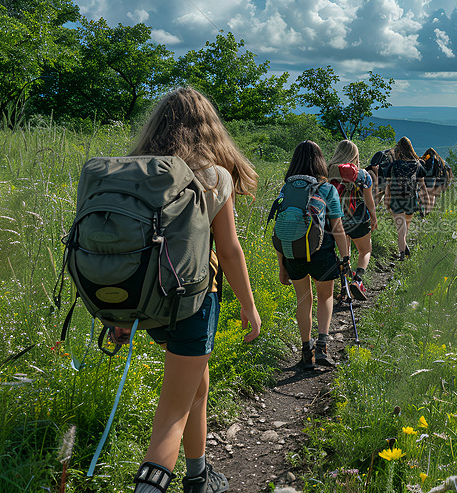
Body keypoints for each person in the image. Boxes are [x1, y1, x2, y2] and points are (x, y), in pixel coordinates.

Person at [111, 88, 261, 493]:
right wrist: (249, 306)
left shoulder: (135, 170)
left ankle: (198, 474)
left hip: (145, 303)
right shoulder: (213, 176)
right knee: (171, 415)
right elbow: (228, 251)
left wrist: (120, 314)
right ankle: (153, 484)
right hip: (193, 304)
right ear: (209, 128)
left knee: (197, 384)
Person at [275, 140, 351, 369]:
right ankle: (323, 347)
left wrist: (282, 266)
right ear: (320, 162)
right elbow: (337, 228)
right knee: (325, 297)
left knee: (303, 300)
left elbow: (281, 230)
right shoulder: (326, 189)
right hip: (322, 253)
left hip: (293, 253)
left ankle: (305, 351)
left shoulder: (285, 189)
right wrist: (346, 258)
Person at [327, 140, 378, 301]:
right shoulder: (364, 175)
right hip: (359, 219)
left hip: (336, 220)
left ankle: (343, 288)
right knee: (365, 250)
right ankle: (357, 280)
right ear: (355, 155)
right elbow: (369, 201)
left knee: (344, 253)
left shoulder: (327, 172)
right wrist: (374, 218)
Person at [384, 137, 429, 260]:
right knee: (405, 228)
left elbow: (388, 186)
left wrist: (386, 200)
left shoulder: (393, 165)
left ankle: (402, 254)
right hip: (411, 200)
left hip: (396, 199)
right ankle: (404, 247)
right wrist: (426, 202)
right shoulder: (418, 165)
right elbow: (422, 186)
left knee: (400, 230)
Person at [420, 147, 452, 213]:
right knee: (432, 195)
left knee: (426, 195)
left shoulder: (425, 158)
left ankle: (425, 210)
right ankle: (429, 210)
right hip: (435, 179)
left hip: (426, 178)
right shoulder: (439, 160)